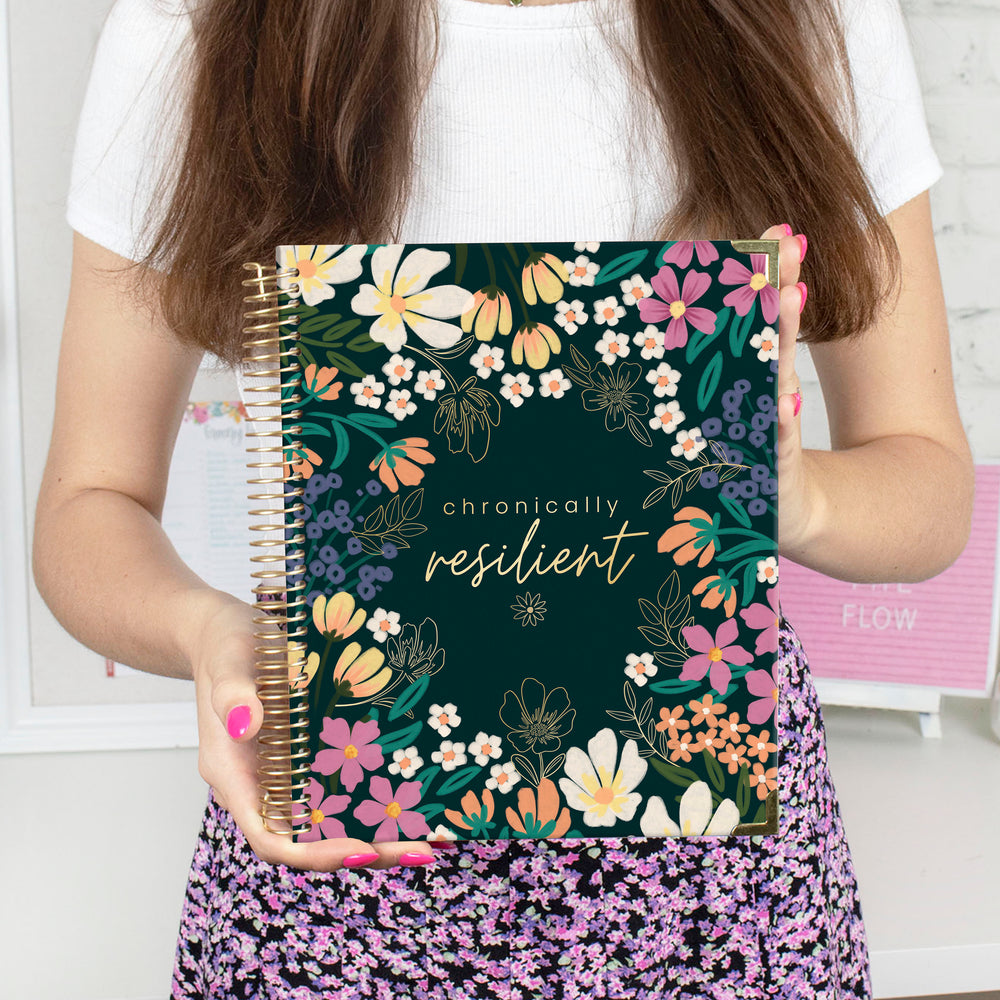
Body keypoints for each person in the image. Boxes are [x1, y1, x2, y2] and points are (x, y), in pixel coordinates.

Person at [33, 0, 974, 996]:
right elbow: (89, 502)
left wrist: (787, 492)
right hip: (344, 879)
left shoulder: (810, 15)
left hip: (717, 885)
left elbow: (927, 484)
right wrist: (209, 636)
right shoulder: (201, 23)